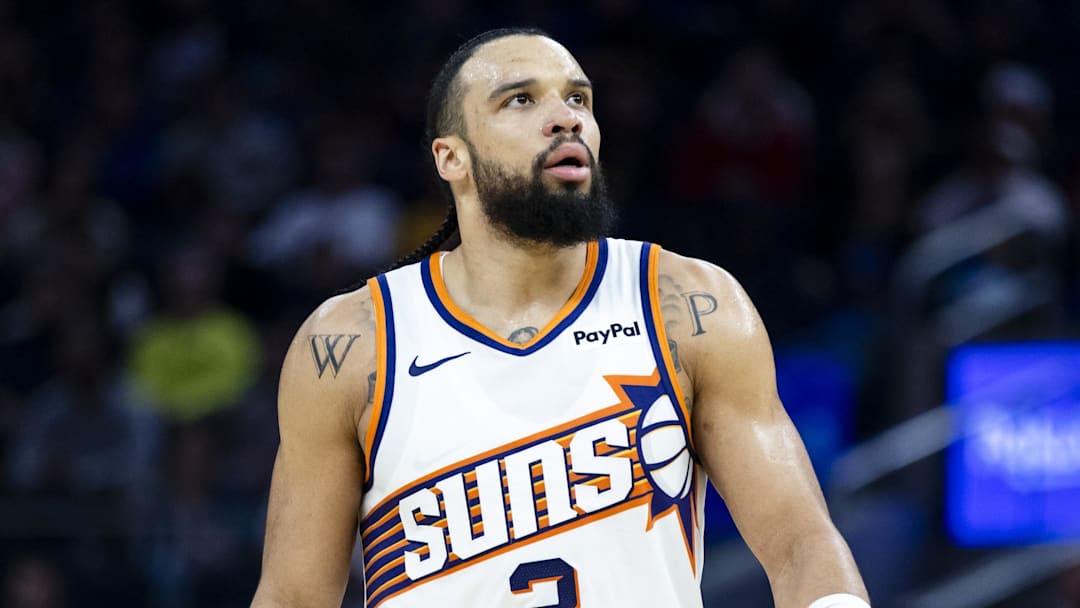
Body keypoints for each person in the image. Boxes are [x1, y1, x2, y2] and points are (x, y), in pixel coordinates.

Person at [250, 28, 870, 608]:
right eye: (519, 100)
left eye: (578, 98)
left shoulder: (687, 305)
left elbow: (800, 541)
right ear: (451, 158)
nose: (566, 117)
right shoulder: (352, 343)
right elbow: (292, 597)